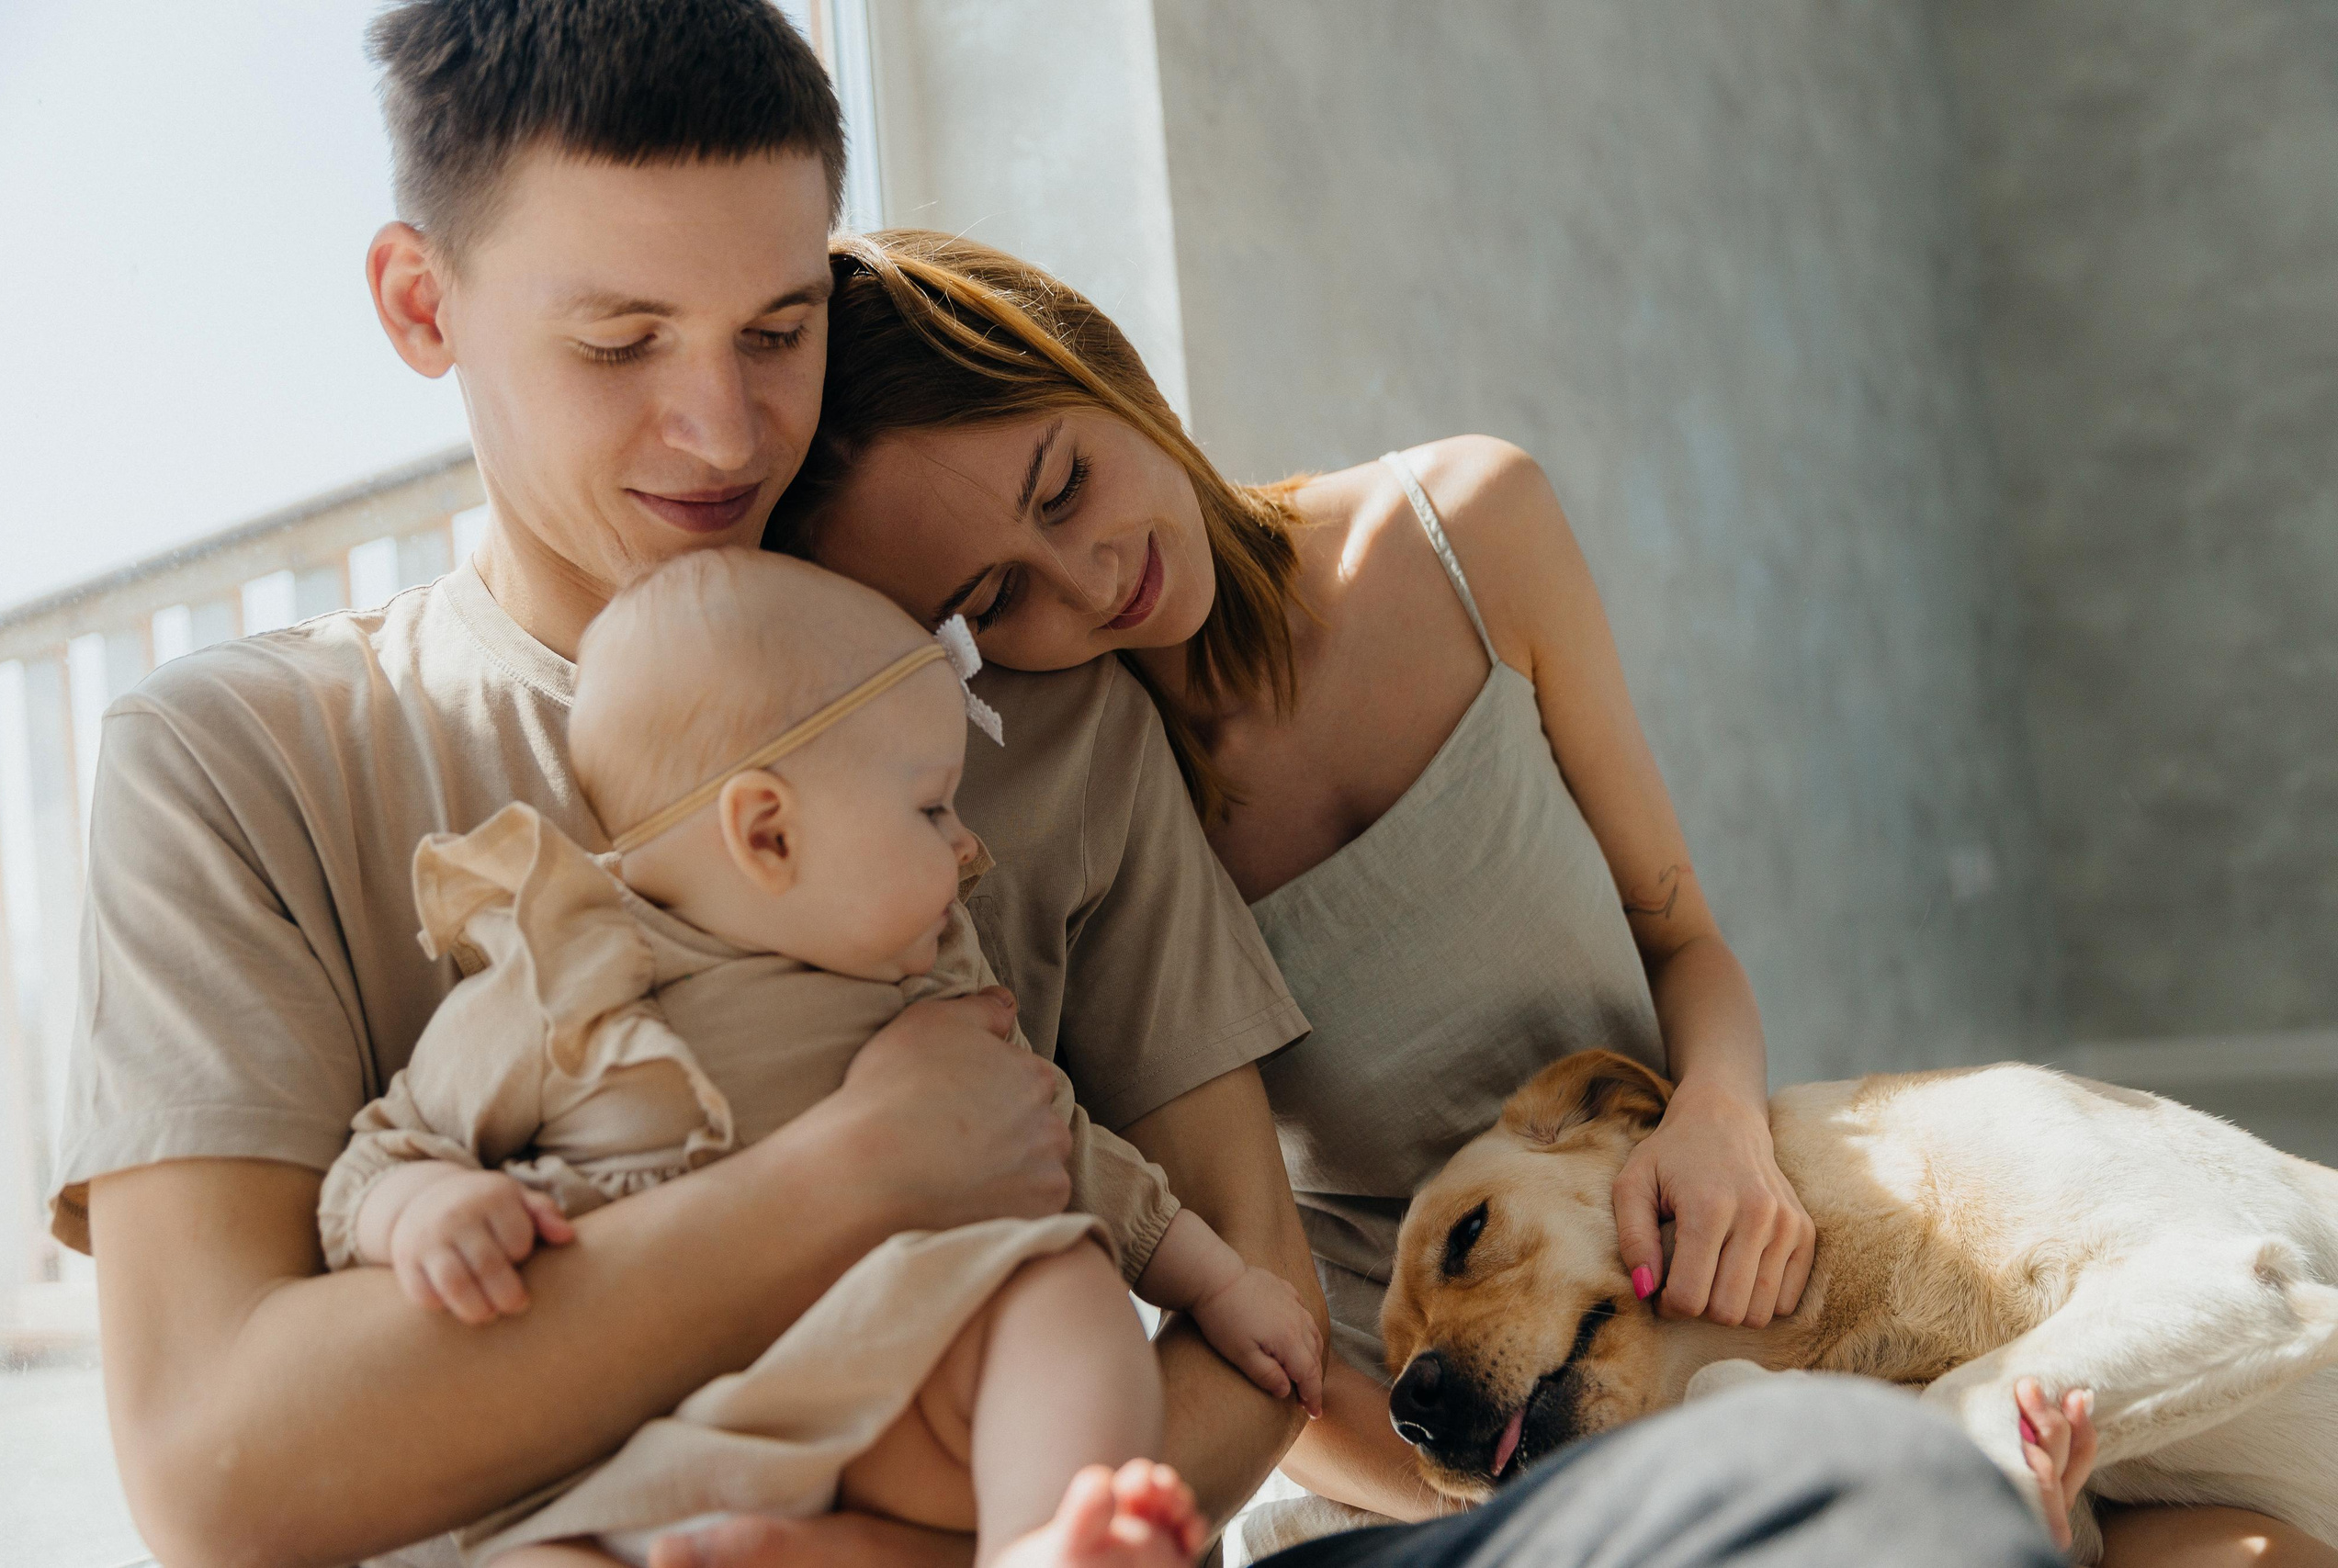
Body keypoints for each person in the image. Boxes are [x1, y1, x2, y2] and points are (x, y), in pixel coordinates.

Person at [762, 229, 2335, 1566]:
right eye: (993, 602)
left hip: (1694, 1275)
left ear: (1094, 359)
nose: (1086, 577)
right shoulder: (1088, 799)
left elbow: (1681, 938)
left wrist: (1716, 1117)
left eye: (1062, 483)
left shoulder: (1464, 529)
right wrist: (1511, 1495)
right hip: (1429, 1439)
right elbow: (1255, 1306)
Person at [54, 6, 1319, 1566]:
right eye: (619, 342)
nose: (725, 434)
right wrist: (857, 1172)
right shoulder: (243, 761)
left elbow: (1262, 1309)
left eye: (780, 331)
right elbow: (217, 1473)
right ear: (420, 303)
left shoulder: (1024, 705)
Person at [322, 549, 1319, 1567]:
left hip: (882, 1386)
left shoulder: (927, 983)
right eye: (932, 808)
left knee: (1060, 1283)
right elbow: (377, 1160)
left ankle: (1039, 1540)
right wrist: (424, 1210)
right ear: (768, 834)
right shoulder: (562, 973)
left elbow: (1057, 1135)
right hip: (634, 1465)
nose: (967, 845)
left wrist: (1214, 1281)